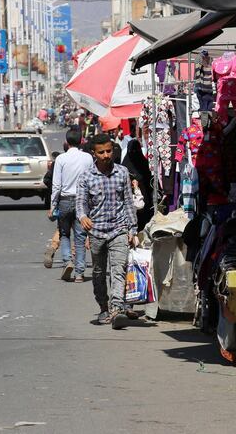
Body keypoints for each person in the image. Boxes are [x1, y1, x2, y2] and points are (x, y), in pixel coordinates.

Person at [76, 133, 138, 328]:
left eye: (109, 151)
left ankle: (117, 308)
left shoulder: (122, 172)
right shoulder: (86, 176)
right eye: (101, 152)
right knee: (98, 272)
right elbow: (80, 202)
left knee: (118, 270)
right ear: (94, 153)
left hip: (119, 228)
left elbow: (128, 202)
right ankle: (103, 307)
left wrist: (133, 229)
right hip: (96, 232)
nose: (106, 155)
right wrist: (83, 216)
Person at [50, 130, 94, 282]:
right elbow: (92, 179)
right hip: (83, 201)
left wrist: (52, 205)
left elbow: (56, 185)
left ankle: (67, 261)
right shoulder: (88, 158)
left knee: (64, 234)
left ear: (67, 142)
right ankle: (80, 273)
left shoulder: (61, 159)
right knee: (80, 237)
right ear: (81, 141)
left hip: (65, 200)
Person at [121, 139, 154, 231]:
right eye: (132, 151)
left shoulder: (144, 163)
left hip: (145, 199)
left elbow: (150, 180)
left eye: (136, 151)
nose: (134, 153)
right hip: (130, 200)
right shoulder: (124, 166)